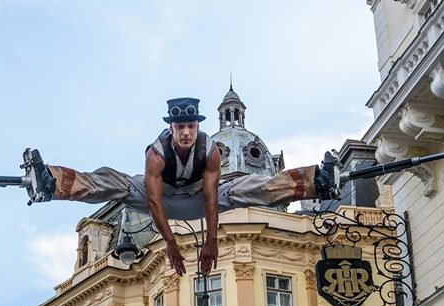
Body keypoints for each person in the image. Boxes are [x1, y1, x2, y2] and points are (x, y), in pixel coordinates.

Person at [26, 97, 340, 277]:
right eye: (181, 127)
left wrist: (212, 241)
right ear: (171, 128)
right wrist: (171, 243)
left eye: (191, 126)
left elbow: (211, 198)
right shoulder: (156, 153)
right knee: (115, 180)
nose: (186, 133)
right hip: (161, 199)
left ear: (197, 126)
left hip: (199, 200)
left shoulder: (210, 150)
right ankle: (51, 183)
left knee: (248, 187)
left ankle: (317, 180)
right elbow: (152, 202)